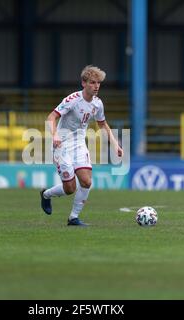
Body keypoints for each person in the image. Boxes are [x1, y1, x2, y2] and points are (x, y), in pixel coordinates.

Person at [40, 65, 123, 226]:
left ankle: (73, 218)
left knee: (86, 182)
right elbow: (51, 117)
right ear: (84, 83)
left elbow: (103, 124)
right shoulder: (72, 100)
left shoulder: (98, 104)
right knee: (69, 188)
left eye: (98, 83)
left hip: (79, 145)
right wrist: (55, 134)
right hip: (62, 146)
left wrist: (115, 144)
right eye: (92, 82)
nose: (96, 86)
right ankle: (46, 195)